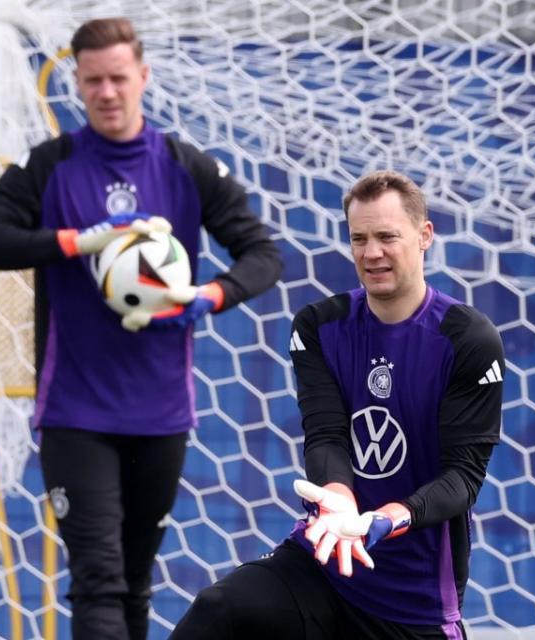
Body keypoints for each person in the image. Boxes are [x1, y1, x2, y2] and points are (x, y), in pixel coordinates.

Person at [0, 17, 282, 640]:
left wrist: (211, 295)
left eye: (118, 78)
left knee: (135, 582)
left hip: (160, 412)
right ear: (77, 85)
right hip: (74, 412)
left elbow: (263, 254)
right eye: (93, 82)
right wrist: (78, 242)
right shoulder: (50, 164)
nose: (107, 92)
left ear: (143, 77)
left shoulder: (184, 166)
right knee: (98, 580)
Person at [170, 169, 504, 640]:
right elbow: (326, 434)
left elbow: (462, 478)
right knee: (222, 608)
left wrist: (386, 519)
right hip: (326, 561)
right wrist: (342, 504)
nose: (372, 253)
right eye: (359, 239)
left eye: (387, 236)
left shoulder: (466, 338)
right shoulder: (319, 327)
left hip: (414, 600)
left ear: (424, 235)